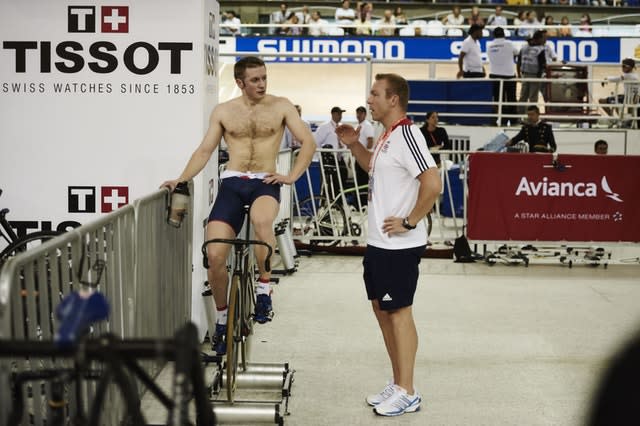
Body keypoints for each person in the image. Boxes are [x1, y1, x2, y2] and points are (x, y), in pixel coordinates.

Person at [161, 57, 315, 355]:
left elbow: (307, 141)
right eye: (255, 80)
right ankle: (221, 318)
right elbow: (205, 150)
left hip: (265, 183)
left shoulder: (281, 105)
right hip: (232, 184)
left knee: (260, 222)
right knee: (215, 253)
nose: (262, 84)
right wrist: (180, 179)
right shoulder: (224, 111)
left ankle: (264, 288)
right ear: (240, 83)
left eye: (264, 78)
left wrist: (291, 176)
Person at [335, 73, 441, 417]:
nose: (369, 99)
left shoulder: (409, 135)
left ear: (393, 99)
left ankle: (409, 391)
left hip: (400, 245)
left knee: (399, 314)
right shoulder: (387, 136)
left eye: (375, 94)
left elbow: (433, 183)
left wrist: (410, 220)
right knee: (383, 313)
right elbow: (373, 168)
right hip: (379, 243)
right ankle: (398, 384)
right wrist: (354, 145)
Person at [487, 27, 519, 126]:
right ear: (504, 34)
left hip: (494, 74)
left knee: (497, 99)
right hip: (508, 75)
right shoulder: (509, 43)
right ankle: (513, 120)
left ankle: (499, 119)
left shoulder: (490, 45)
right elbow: (517, 53)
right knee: (511, 99)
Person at [315, 106, 348, 198]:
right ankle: (328, 202)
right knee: (330, 182)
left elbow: (345, 141)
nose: (340, 116)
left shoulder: (342, 127)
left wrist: (343, 147)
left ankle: (339, 201)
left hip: (340, 158)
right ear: (333, 114)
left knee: (342, 179)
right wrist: (321, 156)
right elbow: (316, 142)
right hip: (329, 159)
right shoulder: (325, 127)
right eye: (338, 113)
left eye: (341, 114)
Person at [599, 58, 639, 123]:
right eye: (622, 66)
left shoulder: (629, 76)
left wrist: (606, 78)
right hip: (630, 98)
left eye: (624, 66)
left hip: (627, 99)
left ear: (631, 67)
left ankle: (613, 119)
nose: (622, 68)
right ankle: (619, 120)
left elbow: (617, 78)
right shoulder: (635, 75)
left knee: (602, 101)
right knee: (616, 100)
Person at [517, 30, 546, 113]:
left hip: (525, 74)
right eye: (543, 38)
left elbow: (518, 62)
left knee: (523, 96)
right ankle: (531, 116)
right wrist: (540, 76)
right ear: (539, 38)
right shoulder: (540, 49)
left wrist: (519, 74)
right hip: (534, 75)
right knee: (533, 97)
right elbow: (542, 65)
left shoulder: (523, 48)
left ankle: (519, 116)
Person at [353, 106, 375, 198]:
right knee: (358, 180)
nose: (358, 115)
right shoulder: (358, 126)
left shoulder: (367, 126)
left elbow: (370, 142)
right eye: (357, 113)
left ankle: (364, 203)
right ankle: (359, 203)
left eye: (361, 113)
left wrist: (362, 153)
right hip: (357, 157)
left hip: (364, 158)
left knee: (363, 180)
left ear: (365, 114)